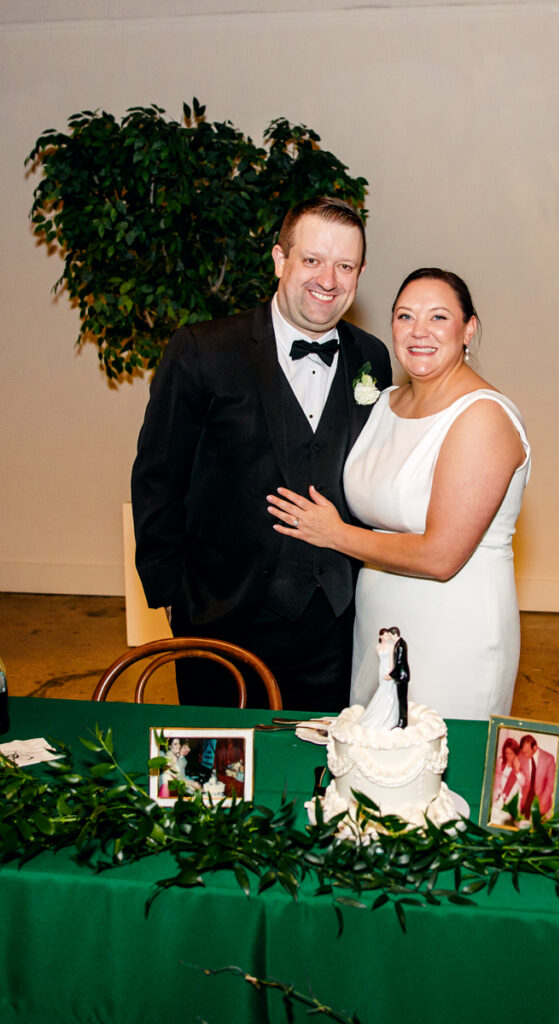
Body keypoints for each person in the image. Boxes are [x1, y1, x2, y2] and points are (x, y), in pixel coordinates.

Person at [131, 197, 392, 710]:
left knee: (323, 775)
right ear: (280, 260)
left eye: (345, 266)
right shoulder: (202, 350)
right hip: (222, 615)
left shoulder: (372, 357)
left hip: (337, 625)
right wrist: (173, 596)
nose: (328, 279)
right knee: (216, 780)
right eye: (312, 260)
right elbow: (158, 476)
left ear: (360, 274)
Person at [266, 267, 530, 720]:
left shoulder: (483, 417)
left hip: (455, 630)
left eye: (439, 318)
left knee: (436, 768)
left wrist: (334, 534)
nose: (419, 331)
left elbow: (440, 557)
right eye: (406, 317)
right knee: (373, 767)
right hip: (378, 623)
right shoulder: (385, 403)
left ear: (469, 329)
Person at [489, 737, 526, 825]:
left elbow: (523, 783)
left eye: (511, 754)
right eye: (506, 753)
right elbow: (496, 779)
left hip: (509, 803)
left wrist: (516, 770)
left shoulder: (519, 766)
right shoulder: (500, 761)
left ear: (516, 754)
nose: (508, 756)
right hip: (497, 799)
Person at [518, 734, 556, 818]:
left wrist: (542, 803)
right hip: (525, 803)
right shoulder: (521, 755)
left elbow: (551, 782)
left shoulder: (548, 758)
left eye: (527, 752)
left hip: (543, 803)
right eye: (523, 752)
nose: (524, 755)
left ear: (535, 747)